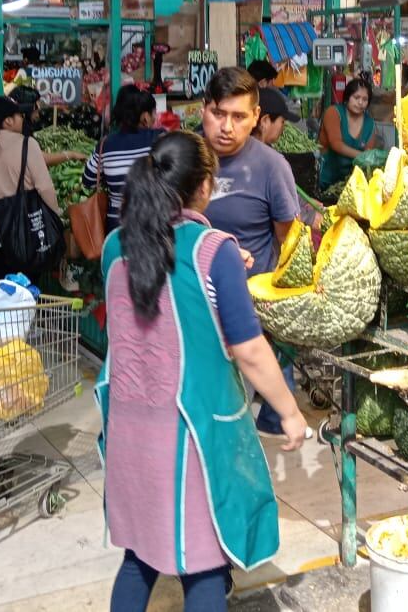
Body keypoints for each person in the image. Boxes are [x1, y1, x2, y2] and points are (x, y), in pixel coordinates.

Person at [98, 130, 305, 612]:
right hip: (189, 437)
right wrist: (290, 412)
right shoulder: (213, 250)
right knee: (205, 566)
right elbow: (249, 349)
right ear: (204, 186)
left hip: (129, 432)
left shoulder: (114, 246)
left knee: (139, 558)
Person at [200, 68, 300, 437]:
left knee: (232, 421)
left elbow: (287, 238)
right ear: (203, 109)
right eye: (218, 113)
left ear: (256, 117)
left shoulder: (272, 167)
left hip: (246, 313)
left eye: (239, 116)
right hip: (192, 312)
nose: (227, 127)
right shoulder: (183, 159)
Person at [0, 96, 86, 285]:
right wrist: (55, 219)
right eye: (19, 115)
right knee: (24, 293)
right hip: (23, 233)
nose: (23, 119)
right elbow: (45, 187)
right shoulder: (26, 143)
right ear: (8, 121)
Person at [82, 85, 163, 235]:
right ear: (145, 117)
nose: (155, 117)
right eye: (153, 113)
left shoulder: (105, 145)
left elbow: (87, 180)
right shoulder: (159, 139)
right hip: (153, 224)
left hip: (117, 228)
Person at [317, 78, 375, 188]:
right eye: (356, 97)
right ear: (348, 97)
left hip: (350, 184)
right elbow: (336, 144)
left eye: (365, 99)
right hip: (325, 180)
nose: (360, 102)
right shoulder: (333, 112)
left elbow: (369, 155)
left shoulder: (370, 123)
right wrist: (362, 156)